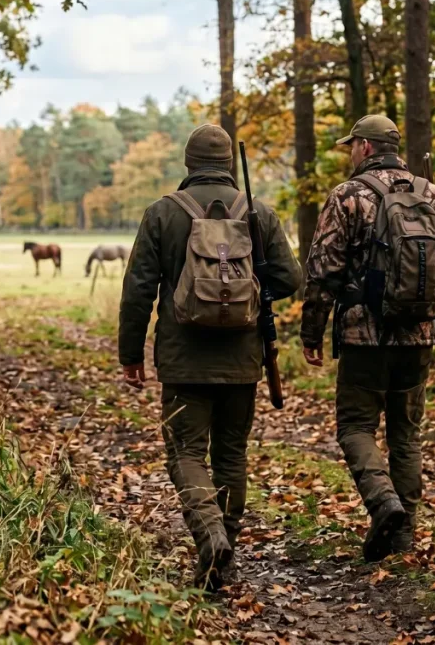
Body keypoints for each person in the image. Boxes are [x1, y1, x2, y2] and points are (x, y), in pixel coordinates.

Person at [119, 124, 302, 590]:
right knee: (231, 454)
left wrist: (131, 353)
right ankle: (228, 549)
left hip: (183, 359)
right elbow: (290, 279)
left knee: (185, 452)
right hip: (243, 358)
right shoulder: (257, 212)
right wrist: (252, 291)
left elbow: (138, 290)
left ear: (188, 163)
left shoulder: (163, 213)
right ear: (226, 164)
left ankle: (210, 536)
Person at [300, 114, 435, 562]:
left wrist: (312, 332)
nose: (349, 153)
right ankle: (402, 537)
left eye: (351, 146)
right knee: (406, 434)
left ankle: (383, 502)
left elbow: (322, 271)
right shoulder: (432, 194)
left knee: (355, 425)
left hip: (363, 336)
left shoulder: (347, 197)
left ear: (365, 147)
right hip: (418, 338)